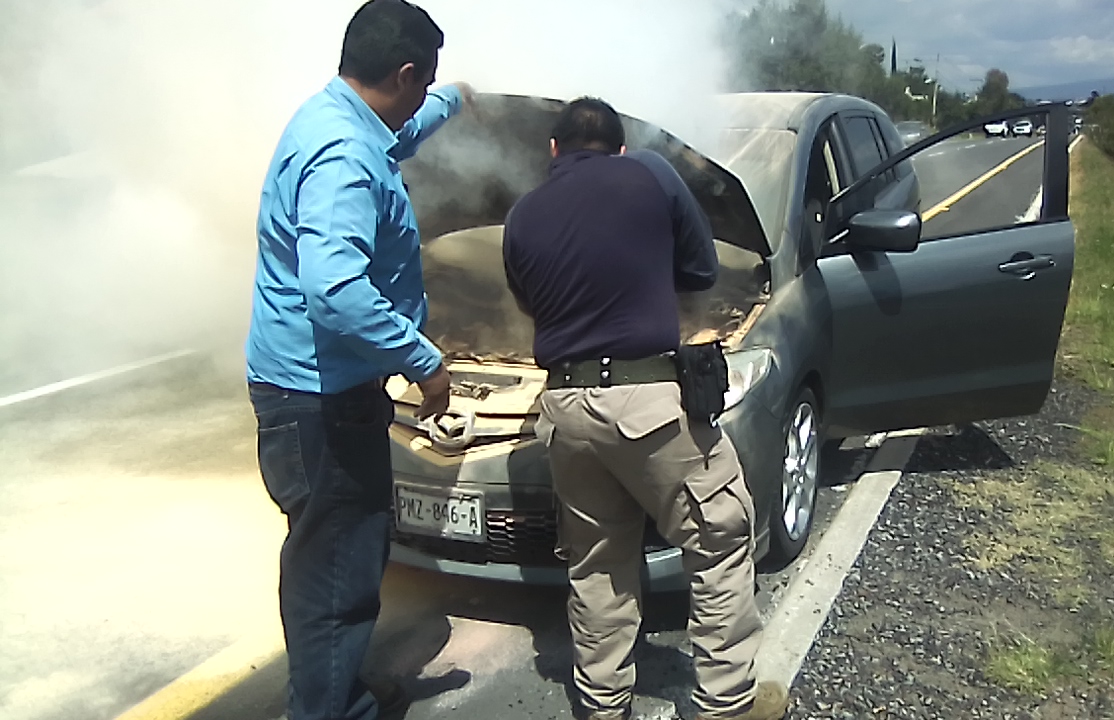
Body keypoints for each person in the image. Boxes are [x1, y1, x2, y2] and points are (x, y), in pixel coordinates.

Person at [502, 98, 790, 720]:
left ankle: (604, 705)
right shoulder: (653, 173)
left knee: (597, 564)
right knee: (718, 536)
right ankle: (727, 703)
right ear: (621, 147)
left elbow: (531, 303)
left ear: (554, 150)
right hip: (648, 405)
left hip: (565, 409)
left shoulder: (522, 214)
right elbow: (701, 268)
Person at [244, 1, 473, 718]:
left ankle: (327, 693)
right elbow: (335, 288)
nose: (420, 101)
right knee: (337, 576)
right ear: (405, 74)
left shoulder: (337, 118)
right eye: (424, 85)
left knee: (327, 561)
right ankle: (329, 710)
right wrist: (423, 361)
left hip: (307, 391)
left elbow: (400, 134)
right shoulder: (344, 155)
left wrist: (461, 101)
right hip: (321, 404)